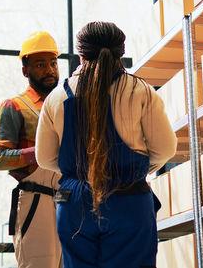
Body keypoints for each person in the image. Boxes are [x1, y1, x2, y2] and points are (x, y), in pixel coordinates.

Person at [35, 21, 177, 268]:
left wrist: (84, 171)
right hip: (128, 199)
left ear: (80, 54)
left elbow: (44, 158)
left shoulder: (57, 97)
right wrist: (136, 169)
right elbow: (165, 149)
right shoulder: (140, 91)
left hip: (74, 204)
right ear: (120, 51)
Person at [0, 31, 62, 268]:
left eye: (53, 63)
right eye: (40, 64)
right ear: (25, 70)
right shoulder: (14, 106)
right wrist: (41, 151)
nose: (49, 70)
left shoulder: (66, 105)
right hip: (35, 201)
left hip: (69, 200)